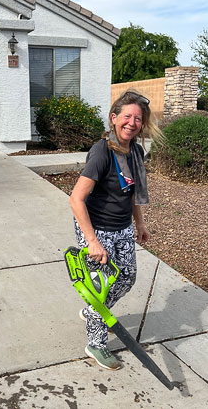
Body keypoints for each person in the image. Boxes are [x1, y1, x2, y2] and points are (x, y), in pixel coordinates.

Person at [69, 89, 162, 370]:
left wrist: (139, 223)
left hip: (121, 226)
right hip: (96, 227)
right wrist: (92, 241)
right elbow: (76, 199)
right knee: (101, 288)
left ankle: (92, 312)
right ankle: (96, 344)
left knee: (127, 277)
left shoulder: (135, 151)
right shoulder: (102, 152)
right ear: (114, 118)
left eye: (138, 118)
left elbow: (130, 192)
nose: (132, 123)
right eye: (127, 117)